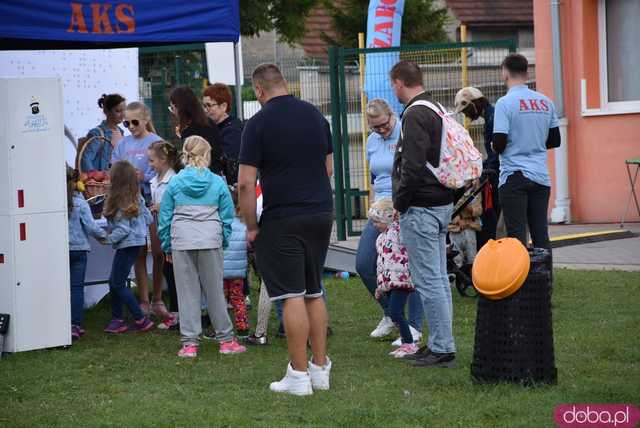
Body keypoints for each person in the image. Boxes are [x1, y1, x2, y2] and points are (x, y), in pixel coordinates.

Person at [238, 63, 333, 396]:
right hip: (321, 212)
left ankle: (299, 374)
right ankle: (321, 367)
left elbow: (246, 184)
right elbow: (328, 168)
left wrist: (251, 226)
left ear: (259, 91)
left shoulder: (258, 123)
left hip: (283, 217)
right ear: (284, 83)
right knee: (314, 290)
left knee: (291, 295)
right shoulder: (316, 116)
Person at [390, 60, 456, 368]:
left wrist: (400, 201)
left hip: (422, 206)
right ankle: (440, 343)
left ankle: (442, 347)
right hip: (441, 202)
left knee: (429, 280)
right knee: (438, 278)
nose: (394, 90)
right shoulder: (435, 108)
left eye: (394, 85)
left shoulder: (415, 114)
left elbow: (413, 166)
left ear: (400, 82)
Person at [158, 136, 246, 358]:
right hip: (210, 240)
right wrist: (223, 240)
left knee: (187, 292)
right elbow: (227, 217)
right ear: (206, 155)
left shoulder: (175, 183)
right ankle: (226, 340)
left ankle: (189, 344)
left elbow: (165, 217)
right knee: (215, 291)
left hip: (182, 241)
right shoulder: (217, 182)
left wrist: (167, 245)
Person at [356, 98, 423, 344]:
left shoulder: (405, 133)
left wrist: (400, 206)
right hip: (380, 209)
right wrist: (373, 208)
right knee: (364, 263)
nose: (382, 131)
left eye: (385, 125)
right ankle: (390, 314)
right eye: (376, 127)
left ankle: (414, 325)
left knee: (410, 266)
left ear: (392, 116)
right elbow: (374, 178)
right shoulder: (372, 142)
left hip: (403, 204)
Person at [492, 53, 561, 251]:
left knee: (516, 236)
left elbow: (499, 142)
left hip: (514, 177)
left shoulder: (504, 103)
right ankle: (545, 278)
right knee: (541, 233)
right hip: (540, 177)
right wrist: (534, 142)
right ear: (527, 72)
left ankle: (520, 281)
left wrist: (492, 145)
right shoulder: (546, 102)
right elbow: (555, 140)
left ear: (505, 72)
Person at [111, 101, 169, 320]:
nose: (131, 127)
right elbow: (114, 170)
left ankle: (158, 298)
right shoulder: (122, 145)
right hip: (130, 203)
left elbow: (165, 171)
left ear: (146, 120)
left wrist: (144, 177)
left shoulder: (156, 142)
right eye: (126, 123)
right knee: (138, 252)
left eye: (135, 122)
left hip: (152, 200)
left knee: (158, 251)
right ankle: (144, 300)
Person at [102, 161, 155, 334]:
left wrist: (107, 239)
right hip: (137, 243)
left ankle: (140, 318)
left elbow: (123, 229)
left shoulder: (119, 200)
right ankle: (117, 319)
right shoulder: (136, 197)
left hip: (126, 245)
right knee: (114, 281)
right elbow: (148, 219)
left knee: (117, 283)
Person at [369, 198, 418, 359]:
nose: (374, 224)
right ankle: (406, 343)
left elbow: (403, 219)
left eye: (377, 221)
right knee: (395, 313)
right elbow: (381, 264)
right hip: (390, 281)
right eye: (373, 221)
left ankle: (409, 344)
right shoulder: (380, 238)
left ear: (389, 218)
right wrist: (380, 286)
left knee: (396, 313)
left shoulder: (397, 230)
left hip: (401, 280)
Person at [455, 87, 501, 244]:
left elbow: (497, 153)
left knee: (492, 213)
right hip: (495, 170)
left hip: (498, 173)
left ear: (476, 103)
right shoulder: (489, 117)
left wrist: (481, 169)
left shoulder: (492, 119)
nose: (465, 114)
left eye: (466, 109)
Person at [66, 167, 107, 340]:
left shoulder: (54, 202)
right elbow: (91, 226)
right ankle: (76, 324)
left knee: (62, 288)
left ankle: (60, 322)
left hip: (61, 250)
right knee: (77, 289)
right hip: (79, 250)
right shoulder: (81, 203)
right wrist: (105, 237)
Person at [148, 140, 180, 330]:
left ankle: (178, 314)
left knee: (173, 273)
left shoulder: (174, 180)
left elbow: (179, 204)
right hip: (164, 233)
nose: (149, 164)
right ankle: (176, 313)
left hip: (174, 234)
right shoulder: (155, 181)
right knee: (168, 271)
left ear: (164, 160)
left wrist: (163, 207)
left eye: (152, 161)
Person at [170, 86, 226, 177]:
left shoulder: (188, 132)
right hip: (215, 175)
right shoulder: (209, 123)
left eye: (172, 108)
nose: (173, 113)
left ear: (179, 108)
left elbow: (186, 162)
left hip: (197, 177)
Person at [222, 187, 250, 337]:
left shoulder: (220, 224)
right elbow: (247, 245)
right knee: (238, 298)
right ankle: (242, 326)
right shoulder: (243, 225)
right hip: (238, 271)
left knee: (220, 299)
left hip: (220, 270)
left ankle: (221, 327)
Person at [81, 93, 125, 172]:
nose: (122, 114)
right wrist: (96, 178)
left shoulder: (121, 132)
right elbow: (86, 159)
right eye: (118, 111)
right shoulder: (97, 133)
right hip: (103, 182)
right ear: (106, 111)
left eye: (124, 110)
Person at [203, 83, 243, 161]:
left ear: (223, 106)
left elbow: (226, 162)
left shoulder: (233, 131)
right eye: (204, 106)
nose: (205, 110)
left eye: (209, 105)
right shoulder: (211, 127)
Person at [448, 192, 483, 268]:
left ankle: (471, 277)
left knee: (472, 260)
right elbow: (446, 212)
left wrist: (467, 206)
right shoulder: (450, 188)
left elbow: (478, 211)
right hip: (454, 229)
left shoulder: (475, 191)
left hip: (470, 227)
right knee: (456, 260)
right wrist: (458, 220)